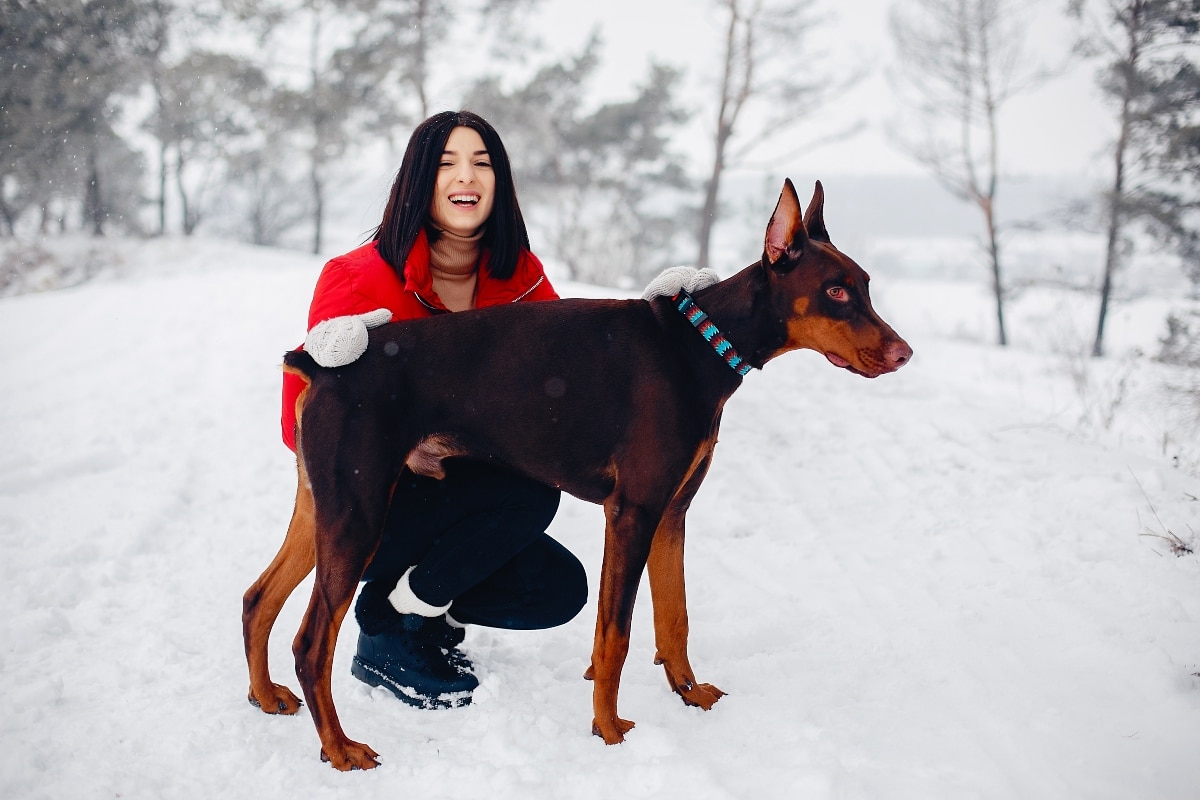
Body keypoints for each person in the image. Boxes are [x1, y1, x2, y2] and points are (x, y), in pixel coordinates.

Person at [281, 110, 588, 709]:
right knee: (528, 496)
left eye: (481, 162)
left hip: (475, 488)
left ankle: (422, 607)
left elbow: (567, 378)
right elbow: (304, 426)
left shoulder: (522, 279)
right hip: (382, 497)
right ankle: (385, 630)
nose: (464, 177)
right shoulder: (354, 278)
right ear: (416, 182)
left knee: (555, 589)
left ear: (499, 182)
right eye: (445, 164)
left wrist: (661, 325)